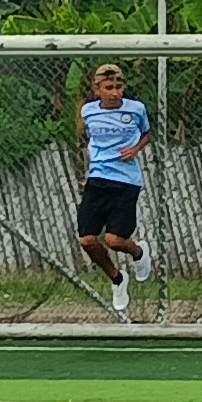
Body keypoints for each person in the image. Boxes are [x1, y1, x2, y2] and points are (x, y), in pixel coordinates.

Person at [77, 63, 153, 313]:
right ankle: (118, 279)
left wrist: (135, 149)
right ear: (97, 89)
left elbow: (146, 134)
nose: (115, 92)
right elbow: (86, 136)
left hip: (126, 181)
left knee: (114, 240)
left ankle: (138, 252)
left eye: (119, 87)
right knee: (87, 240)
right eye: (109, 87)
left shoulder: (136, 109)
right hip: (98, 179)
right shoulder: (88, 111)